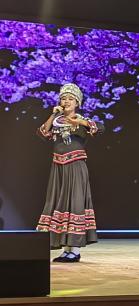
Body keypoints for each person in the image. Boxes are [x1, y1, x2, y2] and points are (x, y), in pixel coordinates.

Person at [36, 83, 104, 263]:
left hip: (75, 166)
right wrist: (53, 114)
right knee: (60, 203)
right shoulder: (56, 121)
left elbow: (100, 128)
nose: (66, 101)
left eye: (70, 99)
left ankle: (74, 250)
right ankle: (66, 250)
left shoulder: (82, 121)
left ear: (77, 103)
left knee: (74, 203)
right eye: (63, 99)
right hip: (58, 168)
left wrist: (79, 122)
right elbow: (42, 133)